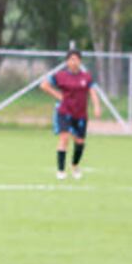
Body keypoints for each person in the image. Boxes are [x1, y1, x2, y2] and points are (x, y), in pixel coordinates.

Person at [39, 49, 102, 180]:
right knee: (64, 138)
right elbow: (44, 85)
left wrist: (96, 106)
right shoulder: (60, 76)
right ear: (67, 61)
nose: (74, 62)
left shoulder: (86, 77)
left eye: (76, 59)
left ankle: (75, 165)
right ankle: (61, 171)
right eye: (71, 59)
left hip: (80, 114)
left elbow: (93, 92)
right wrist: (58, 95)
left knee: (79, 142)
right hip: (64, 112)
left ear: (80, 61)